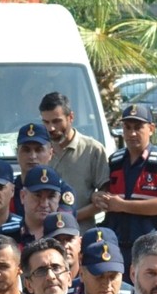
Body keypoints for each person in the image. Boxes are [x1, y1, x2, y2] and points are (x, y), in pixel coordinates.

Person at [93, 103, 157, 251]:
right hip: (118, 244)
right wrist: (97, 197)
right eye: (127, 127)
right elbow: (106, 193)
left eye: (138, 127)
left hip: (152, 247)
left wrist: (123, 206)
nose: (132, 133)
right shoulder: (115, 160)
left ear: (151, 129)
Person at [39, 91, 109, 231]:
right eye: (46, 122)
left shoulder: (93, 150)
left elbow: (104, 198)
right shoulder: (39, 151)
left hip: (80, 235)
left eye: (56, 121)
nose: (51, 128)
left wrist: (68, 219)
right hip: (44, 235)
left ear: (71, 117)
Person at [8, 122, 78, 220]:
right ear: (17, 153)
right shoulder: (8, 188)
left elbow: (61, 226)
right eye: (26, 150)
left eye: (39, 150)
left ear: (50, 153)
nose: (32, 156)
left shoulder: (62, 191)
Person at [1, 165, 67, 249]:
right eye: (38, 196)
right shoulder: (4, 235)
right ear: (23, 196)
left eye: (51, 197)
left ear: (58, 199)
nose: (44, 204)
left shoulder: (67, 238)